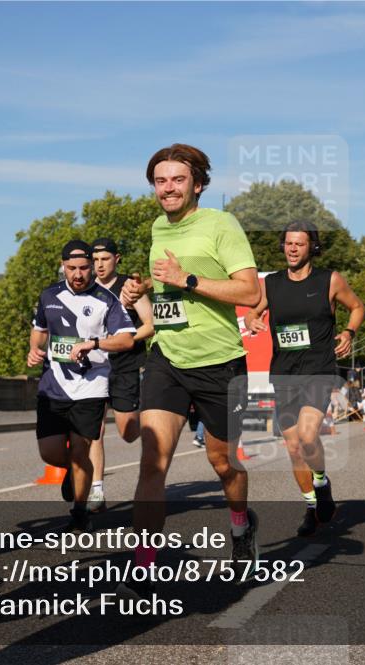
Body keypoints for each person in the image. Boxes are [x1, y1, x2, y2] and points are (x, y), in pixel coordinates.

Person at [118, 144, 261, 598]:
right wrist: (138, 291)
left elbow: (250, 292)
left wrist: (189, 280)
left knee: (223, 463)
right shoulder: (159, 227)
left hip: (219, 361)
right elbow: (167, 300)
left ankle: (240, 524)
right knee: (152, 462)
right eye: (160, 181)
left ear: (198, 184)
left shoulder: (222, 225)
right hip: (168, 358)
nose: (168, 188)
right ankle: (144, 564)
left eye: (177, 180)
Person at [244, 219, 365, 537]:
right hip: (284, 373)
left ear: (312, 246)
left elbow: (357, 307)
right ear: (282, 246)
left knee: (309, 436)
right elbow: (252, 311)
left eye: (299, 243)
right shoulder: (272, 283)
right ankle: (312, 506)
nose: (293, 248)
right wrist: (253, 318)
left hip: (318, 370)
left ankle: (322, 482)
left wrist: (349, 331)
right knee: (294, 448)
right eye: (288, 243)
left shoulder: (330, 280)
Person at [27, 240, 135, 532]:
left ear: (91, 267)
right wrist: (35, 350)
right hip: (53, 386)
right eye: (72, 268)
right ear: (63, 266)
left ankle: (79, 511)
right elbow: (39, 333)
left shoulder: (106, 299)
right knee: (49, 453)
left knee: (80, 450)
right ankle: (76, 475)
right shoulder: (49, 295)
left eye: (84, 268)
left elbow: (126, 339)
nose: (78, 274)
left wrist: (95, 343)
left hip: (92, 386)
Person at [88, 237, 155, 510]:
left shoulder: (128, 286)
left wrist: (125, 339)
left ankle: (149, 417)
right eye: (95, 260)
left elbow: (151, 324)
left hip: (125, 365)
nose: (99, 265)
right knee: (95, 430)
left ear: (117, 259)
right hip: (93, 366)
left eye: (105, 259)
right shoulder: (86, 289)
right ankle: (96, 491)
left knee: (128, 432)